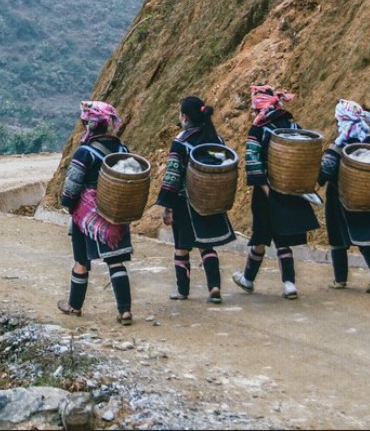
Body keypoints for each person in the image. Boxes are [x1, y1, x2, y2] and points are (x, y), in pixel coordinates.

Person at [232, 85, 320, 299]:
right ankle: (289, 284)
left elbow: (252, 160)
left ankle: (248, 279)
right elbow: (303, 154)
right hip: (289, 189)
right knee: (283, 237)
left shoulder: (258, 128)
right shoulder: (292, 124)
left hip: (267, 192)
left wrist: (265, 188)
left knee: (261, 236)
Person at [57, 100, 135, 325]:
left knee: (81, 261)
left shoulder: (85, 152)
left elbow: (72, 185)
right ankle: (125, 311)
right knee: (116, 261)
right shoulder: (122, 149)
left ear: (89, 125)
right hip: (116, 211)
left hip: (87, 216)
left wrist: (68, 204)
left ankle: (74, 305)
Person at [155, 96, 237, 303]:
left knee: (182, 248)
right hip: (210, 200)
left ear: (184, 117)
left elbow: (173, 175)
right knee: (206, 246)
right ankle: (214, 287)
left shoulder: (181, 142)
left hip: (185, 203)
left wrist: (167, 206)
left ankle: (182, 291)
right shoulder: (216, 139)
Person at [317, 99, 370, 293]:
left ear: (340, 122)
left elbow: (326, 171)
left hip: (340, 201)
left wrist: (317, 178)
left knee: (337, 239)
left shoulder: (339, 148)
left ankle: (340, 279)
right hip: (368, 199)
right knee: (366, 237)